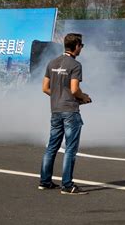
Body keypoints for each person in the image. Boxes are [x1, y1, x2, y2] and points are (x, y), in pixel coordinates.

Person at [38, 33, 92, 195]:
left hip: (55, 109)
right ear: (76, 46)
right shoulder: (75, 65)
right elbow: (74, 89)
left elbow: (45, 88)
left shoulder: (52, 62)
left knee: (52, 146)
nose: (81, 48)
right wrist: (83, 97)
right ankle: (67, 184)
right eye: (81, 45)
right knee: (70, 149)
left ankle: (45, 181)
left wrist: (59, 96)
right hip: (70, 111)